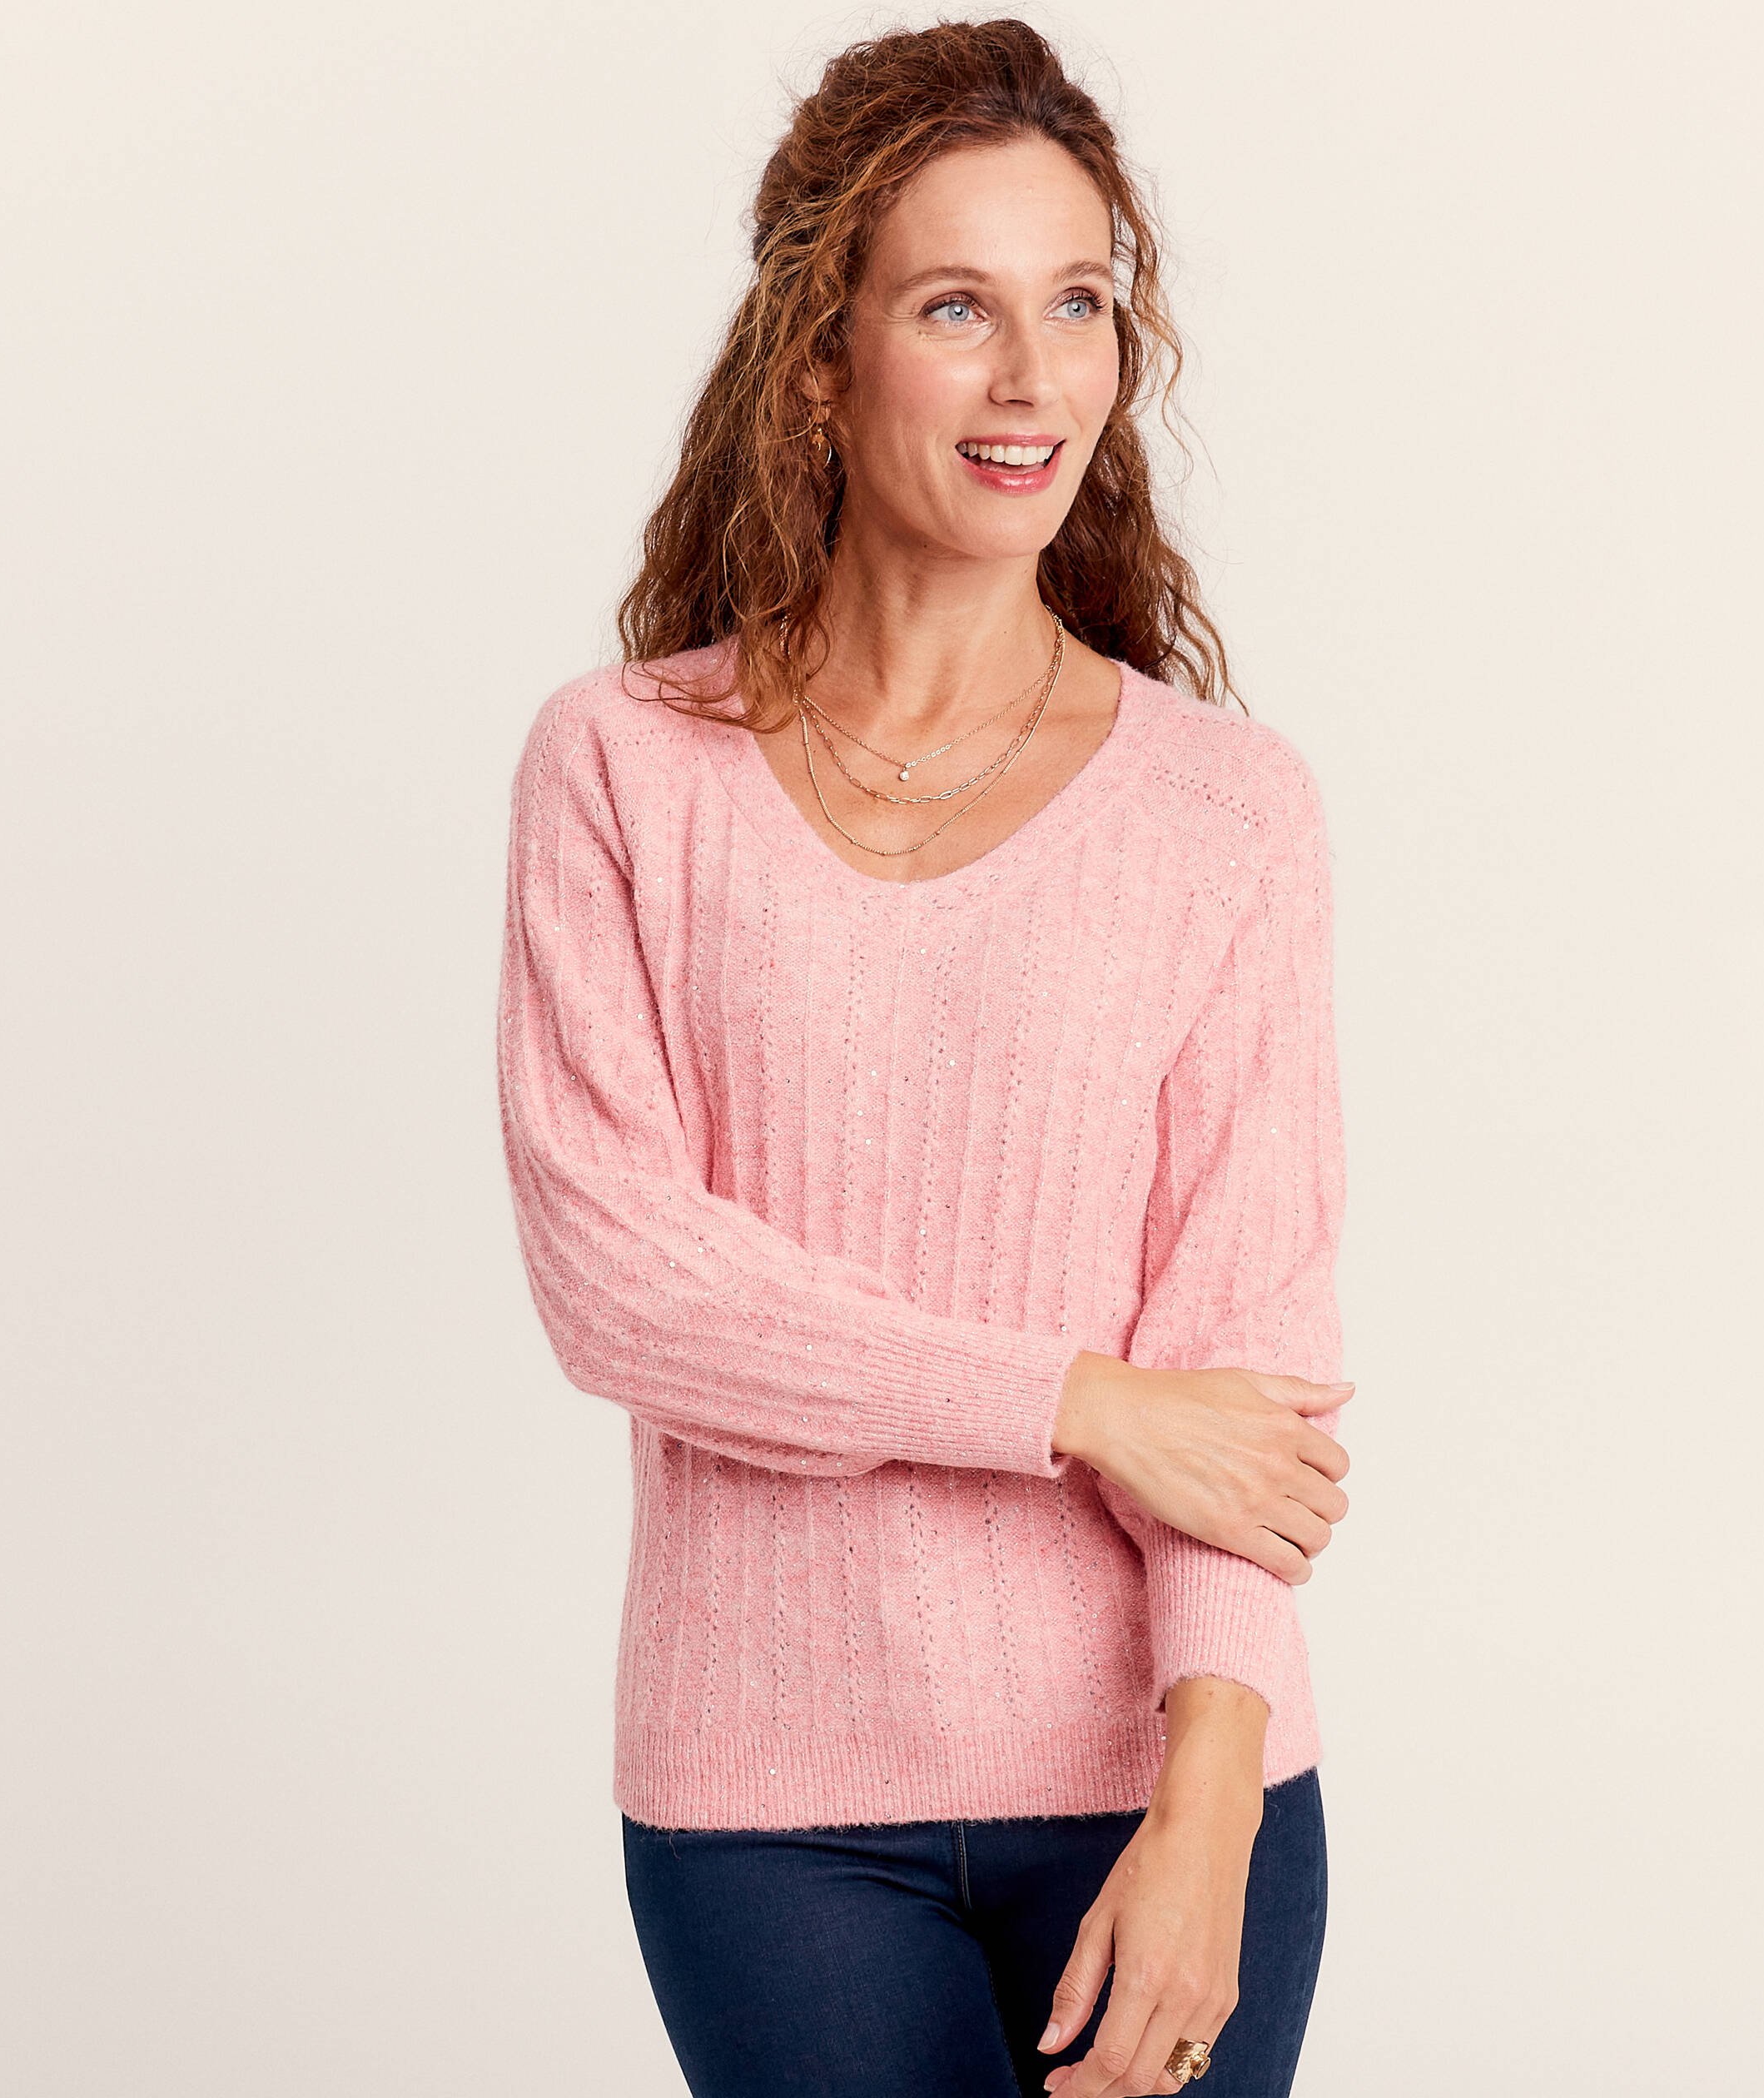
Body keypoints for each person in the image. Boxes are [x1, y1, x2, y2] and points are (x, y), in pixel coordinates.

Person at [495, 20, 1355, 2096]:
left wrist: (1212, 1816)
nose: (1033, 377)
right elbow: (626, 1285)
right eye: (958, 307)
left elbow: (1244, 1381)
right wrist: (1077, 1404)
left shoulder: (1226, 811)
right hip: (769, 1811)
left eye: (1081, 306)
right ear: (821, 358)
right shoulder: (623, 771)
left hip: (1166, 1786)